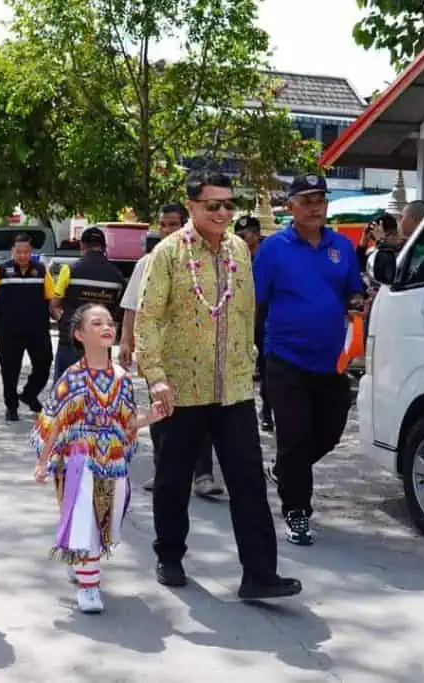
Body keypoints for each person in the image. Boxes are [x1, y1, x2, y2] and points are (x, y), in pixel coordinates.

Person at [135, 167, 302, 600]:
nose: (224, 213)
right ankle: (169, 555)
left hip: (233, 389)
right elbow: (148, 319)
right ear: (192, 206)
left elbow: (246, 314)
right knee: (173, 480)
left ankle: (259, 574)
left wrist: (252, 367)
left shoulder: (239, 252)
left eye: (229, 204)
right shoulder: (168, 254)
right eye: (214, 205)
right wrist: (154, 378)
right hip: (180, 389)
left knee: (248, 482)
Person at [32, 303, 165, 613]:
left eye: (109, 322)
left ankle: (80, 559)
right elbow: (54, 421)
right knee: (84, 520)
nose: (107, 326)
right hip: (77, 461)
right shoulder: (71, 377)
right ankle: (89, 587)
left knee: (106, 520)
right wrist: (43, 461)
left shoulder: (121, 378)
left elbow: (126, 422)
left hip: (112, 462)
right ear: (79, 334)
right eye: (96, 323)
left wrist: (151, 417)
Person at [254, 174, 364, 546]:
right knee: (295, 435)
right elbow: (255, 300)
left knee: (331, 431)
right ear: (290, 207)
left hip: (331, 361)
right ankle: (297, 512)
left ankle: (284, 469)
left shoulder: (342, 247)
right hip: (285, 358)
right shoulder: (273, 249)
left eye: (320, 198)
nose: (316, 206)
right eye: (307, 199)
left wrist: (355, 302)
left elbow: (353, 288)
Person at [120, 204, 220, 497]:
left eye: (173, 224)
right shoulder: (148, 263)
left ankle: (203, 475)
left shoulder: (206, 261)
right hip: (159, 355)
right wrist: (127, 341)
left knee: (201, 413)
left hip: (199, 352)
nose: (167, 230)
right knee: (161, 413)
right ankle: (163, 471)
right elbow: (131, 308)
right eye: (162, 225)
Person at [0, 232, 55, 421]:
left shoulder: (41, 271)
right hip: (9, 331)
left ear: (31, 251)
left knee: (44, 364)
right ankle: (11, 407)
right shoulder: (1, 271)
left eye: (26, 252)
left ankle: (29, 394)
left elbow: (51, 297)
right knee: (10, 371)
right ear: (12, 251)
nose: (22, 256)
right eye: (18, 252)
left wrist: (58, 314)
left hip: (37, 330)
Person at [50, 227, 125, 380]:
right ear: (104, 248)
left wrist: (64, 321)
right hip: (101, 342)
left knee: (65, 389)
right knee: (98, 390)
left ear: (82, 246)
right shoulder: (117, 275)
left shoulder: (69, 270)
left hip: (72, 338)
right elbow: (119, 312)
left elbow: (54, 304)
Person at [234, 215, 273, 432]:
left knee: (267, 366)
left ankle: (267, 410)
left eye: (245, 233)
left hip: (266, 315)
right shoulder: (233, 255)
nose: (241, 238)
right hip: (241, 317)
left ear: (256, 234)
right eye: (238, 234)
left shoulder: (268, 255)